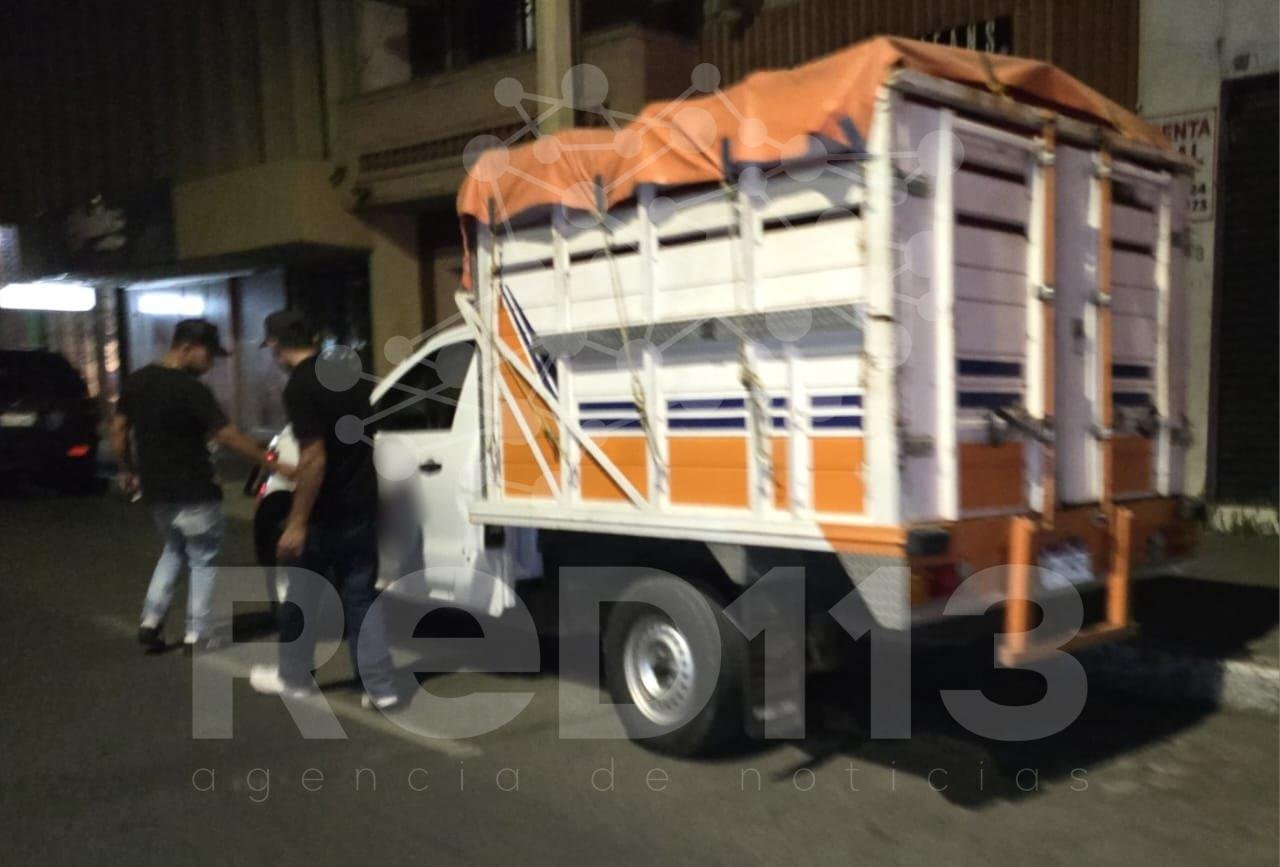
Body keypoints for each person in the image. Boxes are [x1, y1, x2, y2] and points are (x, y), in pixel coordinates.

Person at [249, 310, 398, 709]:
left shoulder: (300, 386)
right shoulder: (349, 372)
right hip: (361, 501)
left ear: (277, 345)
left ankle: (294, 678)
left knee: (301, 591)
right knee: (360, 594)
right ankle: (380, 686)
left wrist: (296, 522)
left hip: (326, 509)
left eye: (271, 348)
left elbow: (315, 457)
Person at [113, 318, 281, 654]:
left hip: (157, 489)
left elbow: (118, 430)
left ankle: (151, 620)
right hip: (195, 488)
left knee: (174, 550)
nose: (210, 363)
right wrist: (271, 461)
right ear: (187, 347)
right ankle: (197, 633)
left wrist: (127, 469)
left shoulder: (137, 381)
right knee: (202, 558)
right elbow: (227, 434)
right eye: (209, 355)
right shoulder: (191, 390)